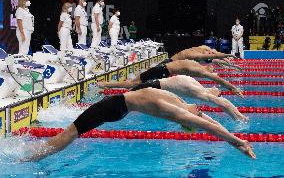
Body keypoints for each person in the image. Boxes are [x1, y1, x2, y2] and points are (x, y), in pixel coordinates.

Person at [25, 88, 256, 161]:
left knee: (71, 133)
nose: (199, 113)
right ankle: (31, 157)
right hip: (116, 108)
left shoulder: (178, 105)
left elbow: (205, 122)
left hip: (115, 106)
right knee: (70, 134)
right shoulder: (178, 107)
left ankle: (32, 156)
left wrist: (237, 142)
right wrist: (238, 142)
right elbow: (205, 123)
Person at [99, 59, 244, 97]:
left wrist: (233, 67)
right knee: (132, 84)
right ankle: (105, 86)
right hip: (161, 71)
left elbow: (216, 61)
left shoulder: (199, 64)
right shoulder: (200, 71)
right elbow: (218, 79)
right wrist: (233, 88)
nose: (214, 72)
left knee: (135, 86)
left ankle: (106, 87)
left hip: (162, 71)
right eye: (214, 71)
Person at [130, 75, 248, 122]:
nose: (217, 89)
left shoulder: (196, 85)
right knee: (127, 97)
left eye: (218, 93)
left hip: (155, 86)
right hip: (152, 87)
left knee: (127, 96)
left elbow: (221, 102)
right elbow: (222, 103)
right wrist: (238, 117)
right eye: (218, 93)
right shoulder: (198, 90)